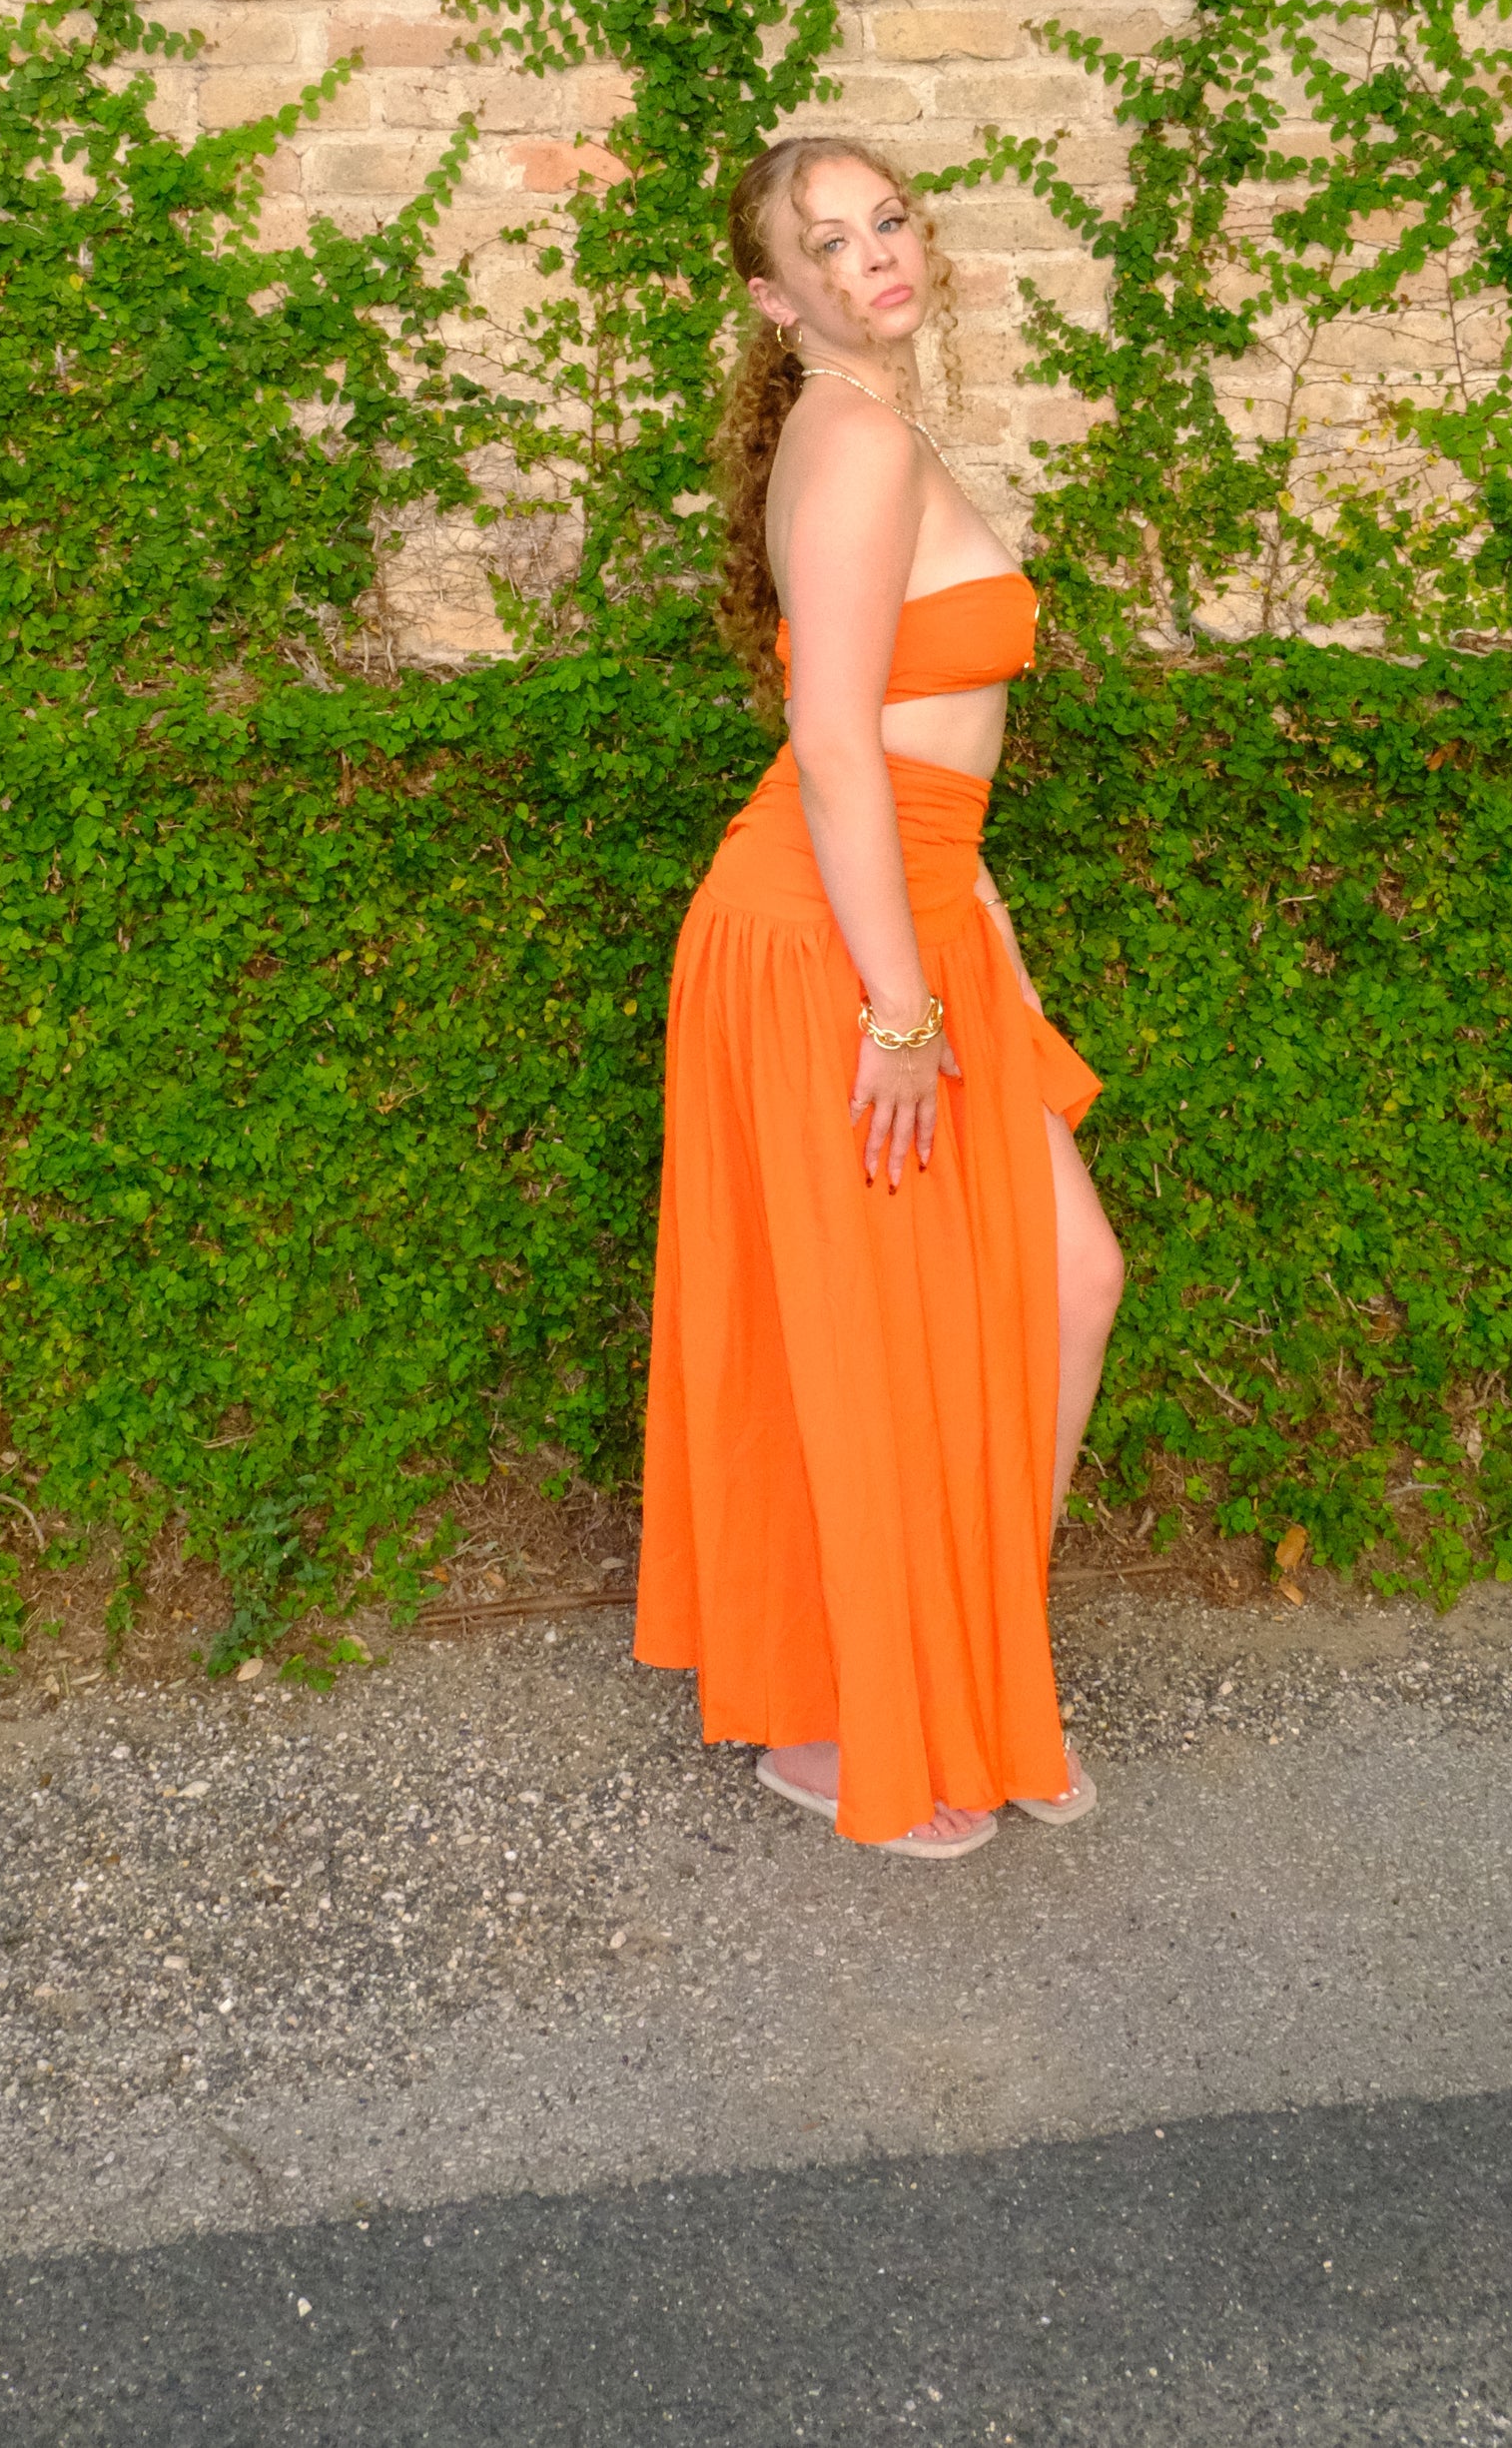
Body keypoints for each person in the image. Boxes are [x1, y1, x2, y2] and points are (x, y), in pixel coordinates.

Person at [634, 140, 1125, 1858]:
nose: (873, 258)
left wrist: (987, 963)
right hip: (827, 936)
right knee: (867, 1338)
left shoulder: (877, 428)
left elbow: (934, 779)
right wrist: (900, 1015)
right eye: (826, 244)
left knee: (1066, 1280)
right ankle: (838, 1725)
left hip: (916, 907)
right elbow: (836, 745)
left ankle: (972, 1673)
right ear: (776, 300)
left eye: (887, 221)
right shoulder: (849, 438)